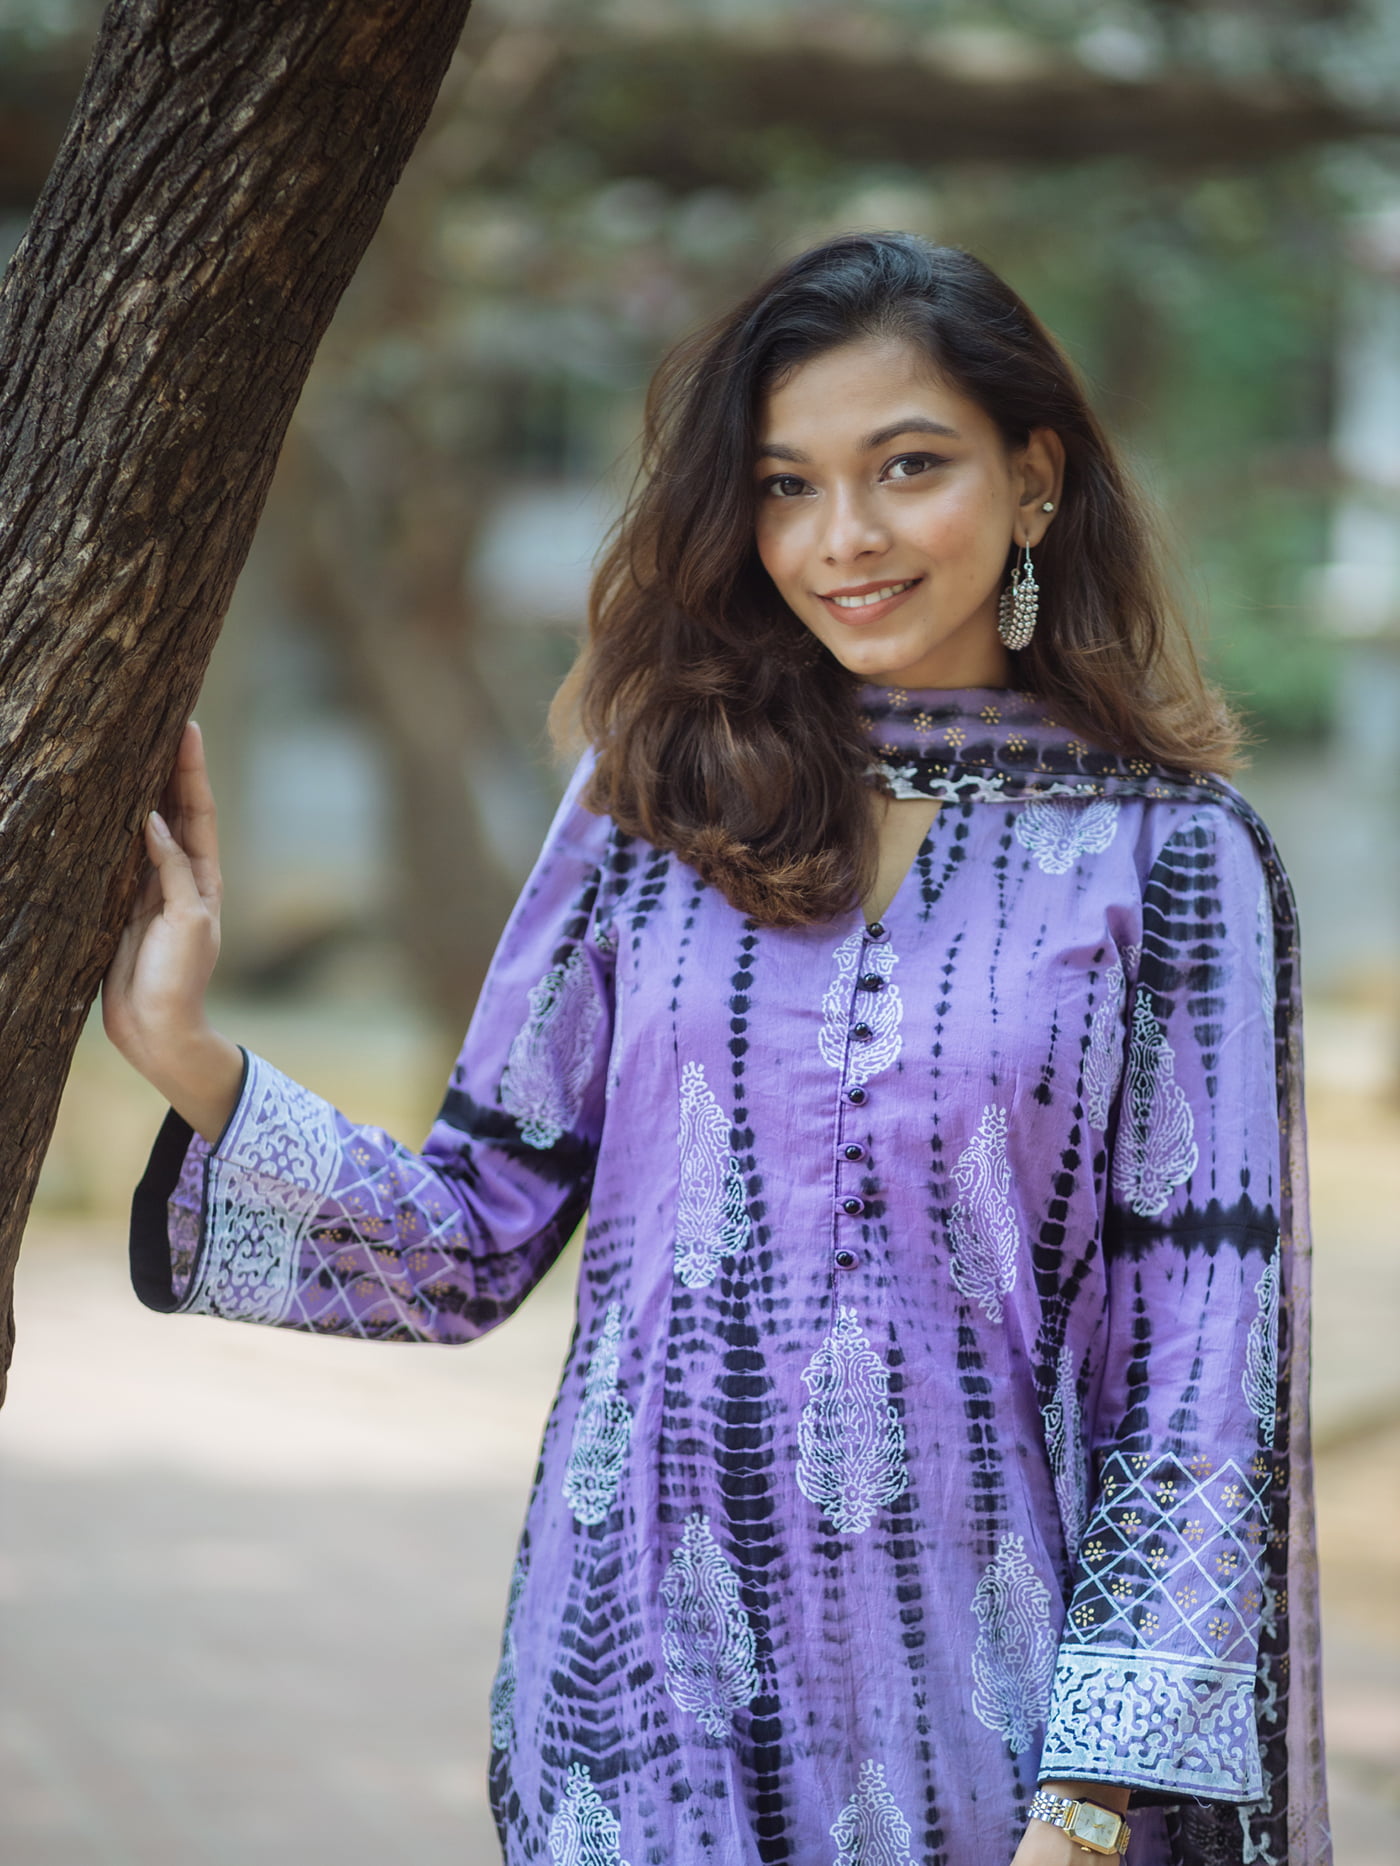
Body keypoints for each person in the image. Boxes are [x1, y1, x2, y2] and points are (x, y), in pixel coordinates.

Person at [104, 233, 1328, 1866]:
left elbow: (1202, 1372)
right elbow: (469, 1237)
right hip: (635, 1708)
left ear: (1034, 480)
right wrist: (187, 1050)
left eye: (909, 466)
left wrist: (1089, 1805)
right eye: (785, 486)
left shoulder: (1172, 854)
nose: (844, 538)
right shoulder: (652, 799)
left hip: (996, 1738)